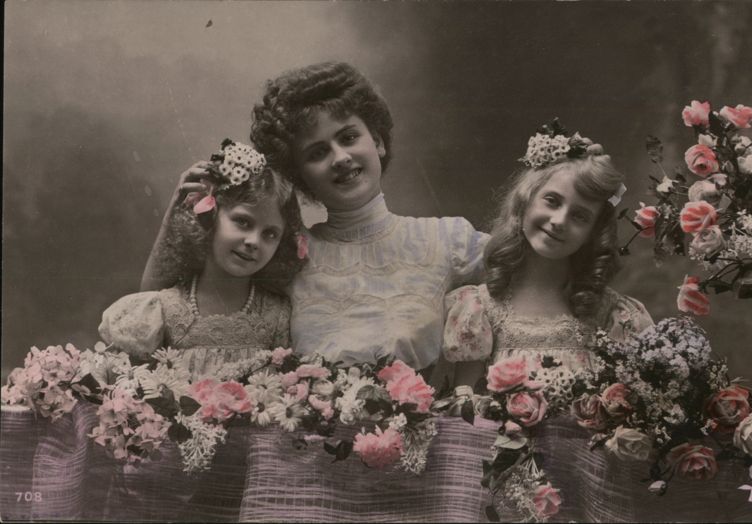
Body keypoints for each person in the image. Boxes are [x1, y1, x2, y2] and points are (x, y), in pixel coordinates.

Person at [142, 62, 489, 375]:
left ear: (378, 141)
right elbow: (160, 306)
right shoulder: (287, 252)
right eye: (317, 153)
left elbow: (517, 291)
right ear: (299, 176)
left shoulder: (447, 240)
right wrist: (177, 208)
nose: (340, 158)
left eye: (348, 138)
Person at [441, 125, 654, 521]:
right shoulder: (481, 308)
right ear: (525, 200)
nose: (558, 221)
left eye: (580, 216)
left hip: (587, 495)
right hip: (507, 495)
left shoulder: (610, 315)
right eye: (552, 201)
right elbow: (464, 414)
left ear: (592, 233)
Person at [101, 140, 305, 379]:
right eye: (243, 222)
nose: (253, 241)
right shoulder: (166, 308)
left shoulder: (279, 316)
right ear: (210, 215)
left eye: (270, 234)